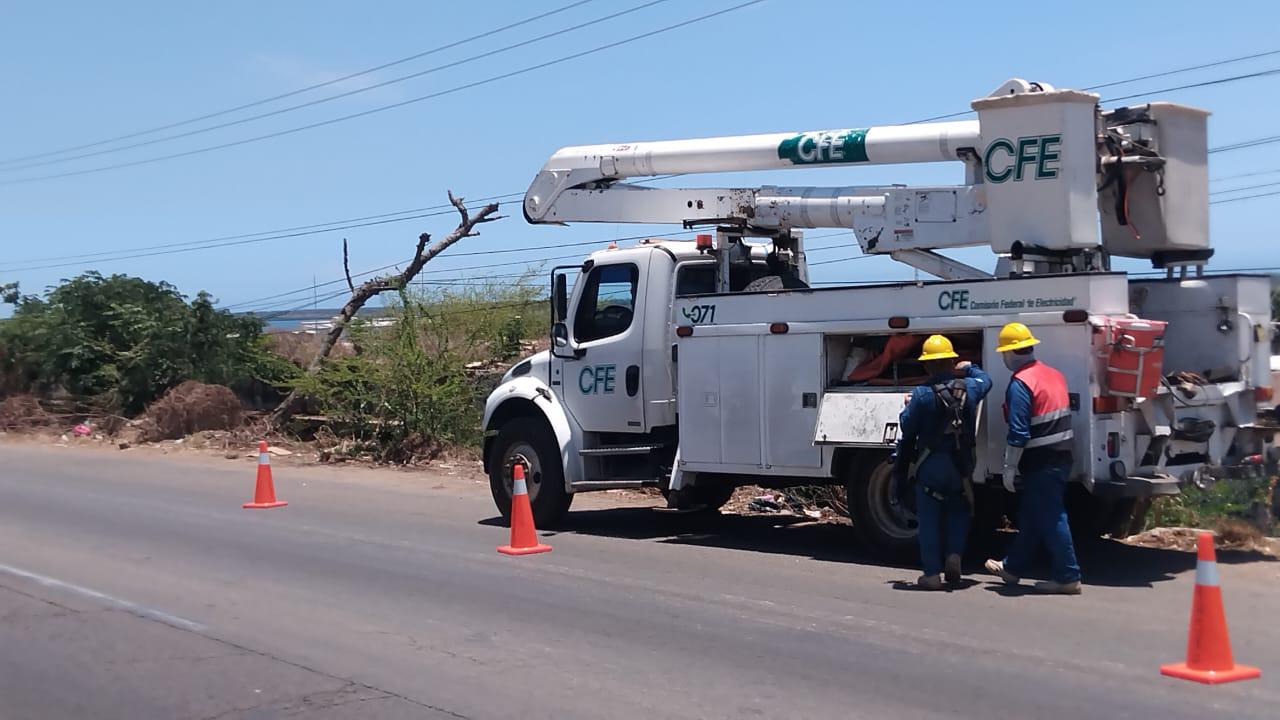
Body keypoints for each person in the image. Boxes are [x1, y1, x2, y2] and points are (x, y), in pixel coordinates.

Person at [984, 322, 1083, 595]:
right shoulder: (1053, 374)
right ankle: (1012, 568)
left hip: (1041, 461)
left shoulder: (1020, 384)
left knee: (1051, 516)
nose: (1003, 358)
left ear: (1011, 353)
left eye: (1004, 352)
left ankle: (1067, 576)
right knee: (1032, 515)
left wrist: (1009, 467)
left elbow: (1018, 432)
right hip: (1062, 456)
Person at [895, 334, 992, 590]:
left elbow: (907, 427)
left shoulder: (921, 394)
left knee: (929, 517)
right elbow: (986, 380)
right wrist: (970, 367)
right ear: (951, 362)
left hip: (931, 463)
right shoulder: (970, 388)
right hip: (961, 462)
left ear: (926, 365)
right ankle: (954, 555)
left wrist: (907, 405)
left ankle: (931, 574)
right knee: (959, 508)